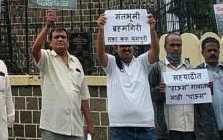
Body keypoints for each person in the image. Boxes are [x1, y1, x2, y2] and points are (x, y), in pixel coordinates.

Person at [31, 10, 94, 140]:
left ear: (68, 42)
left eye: (63, 37)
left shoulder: (76, 62)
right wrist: (48, 26)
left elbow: (83, 96)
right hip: (53, 128)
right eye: (56, 37)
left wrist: (89, 123)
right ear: (50, 42)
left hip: (75, 128)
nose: (60, 39)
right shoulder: (46, 58)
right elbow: (35, 50)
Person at [96, 12, 159, 140]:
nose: (126, 48)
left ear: (133, 47)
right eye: (122, 45)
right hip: (120, 128)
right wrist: (101, 31)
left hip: (145, 126)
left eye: (129, 45)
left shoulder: (142, 62)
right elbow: (100, 53)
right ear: (115, 48)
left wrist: (152, 30)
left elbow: (156, 52)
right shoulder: (112, 64)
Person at [148, 33, 213, 140]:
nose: (176, 48)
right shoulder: (158, 68)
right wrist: (158, 91)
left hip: (191, 128)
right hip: (169, 130)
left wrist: (206, 88)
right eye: (172, 45)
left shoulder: (191, 69)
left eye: (179, 45)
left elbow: (199, 97)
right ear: (165, 47)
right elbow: (148, 94)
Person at [196, 37, 223, 140]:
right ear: (202, 53)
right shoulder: (196, 73)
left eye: (215, 50)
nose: (212, 53)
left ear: (219, 51)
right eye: (209, 50)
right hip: (209, 129)